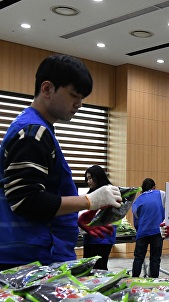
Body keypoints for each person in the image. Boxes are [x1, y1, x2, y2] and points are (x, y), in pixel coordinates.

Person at [0, 54, 121, 270]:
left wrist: (72, 218)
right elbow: (27, 201)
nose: (80, 104)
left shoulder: (37, 129)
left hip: (35, 250)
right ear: (47, 89)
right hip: (29, 260)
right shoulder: (33, 133)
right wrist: (88, 201)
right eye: (74, 95)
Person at [78, 165, 117, 270]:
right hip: (90, 236)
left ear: (98, 177)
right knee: (88, 267)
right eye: (87, 179)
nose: (88, 181)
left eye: (91, 178)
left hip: (103, 237)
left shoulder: (109, 191)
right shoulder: (90, 194)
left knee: (99, 267)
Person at [131, 178, 165, 278]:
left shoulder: (137, 200)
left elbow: (136, 218)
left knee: (138, 258)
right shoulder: (160, 193)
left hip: (142, 232)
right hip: (157, 231)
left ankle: (134, 279)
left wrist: (139, 229)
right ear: (154, 187)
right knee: (155, 258)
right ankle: (153, 280)